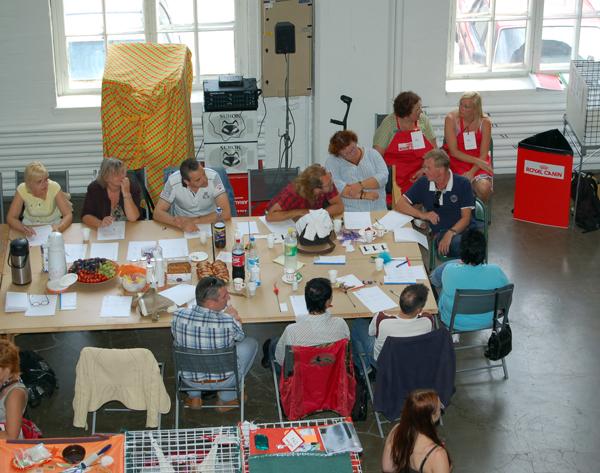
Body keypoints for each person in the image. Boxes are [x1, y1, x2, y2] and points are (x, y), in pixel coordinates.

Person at [171, 276, 258, 411]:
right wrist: (235, 318)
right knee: (250, 343)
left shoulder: (178, 316)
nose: (228, 298)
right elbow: (240, 337)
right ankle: (226, 398)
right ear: (211, 303)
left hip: (189, 380)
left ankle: (194, 396)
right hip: (224, 379)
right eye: (224, 296)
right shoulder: (227, 321)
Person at [394, 149, 475, 258]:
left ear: (441, 170)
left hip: (464, 230)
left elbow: (466, 219)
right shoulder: (423, 183)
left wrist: (451, 233)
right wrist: (423, 215)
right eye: (424, 167)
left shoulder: (463, 184)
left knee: (469, 246)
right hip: (441, 233)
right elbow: (400, 204)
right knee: (461, 248)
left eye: (428, 168)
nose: (424, 171)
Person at [261, 278, 350, 372]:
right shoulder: (341, 324)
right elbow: (345, 352)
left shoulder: (292, 331)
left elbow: (282, 361)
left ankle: (268, 354)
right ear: (328, 302)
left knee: (273, 344)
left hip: (300, 379)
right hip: (332, 376)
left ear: (306, 299)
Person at [431, 228, 509, 332]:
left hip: (453, 321)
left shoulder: (449, 270)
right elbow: (506, 297)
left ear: (462, 251)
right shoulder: (496, 271)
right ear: (483, 250)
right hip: (487, 320)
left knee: (440, 288)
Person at [350, 284, 434, 373]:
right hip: (413, 363)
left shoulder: (381, 319)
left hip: (383, 364)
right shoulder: (428, 320)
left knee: (358, 323)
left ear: (400, 300)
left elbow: (371, 333)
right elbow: (426, 315)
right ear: (419, 310)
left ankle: (365, 369)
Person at [373, 91, 438, 194]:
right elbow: (376, 157)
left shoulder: (423, 121)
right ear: (406, 115)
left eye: (420, 107)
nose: (421, 111)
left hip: (420, 174)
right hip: (395, 179)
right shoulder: (389, 124)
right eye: (417, 109)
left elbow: (435, 152)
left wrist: (424, 170)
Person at [382, 389, 452, 473]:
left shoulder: (396, 430)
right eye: (439, 407)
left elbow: (387, 468)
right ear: (431, 416)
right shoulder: (437, 454)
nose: (441, 408)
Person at [153, 158, 232, 232]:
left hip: (211, 223)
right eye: (198, 180)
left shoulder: (214, 177)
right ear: (187, 182)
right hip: (182, 229)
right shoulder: (172, 181)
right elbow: (157, 213)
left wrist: (193, 221)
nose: (205, 180)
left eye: (204, 174)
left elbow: (226, 212)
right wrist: (180, 223)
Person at [443, 91, 493, 202]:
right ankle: (465, 206)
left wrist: (472, 172)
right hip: (456, 161)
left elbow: (484, 154)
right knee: (455, 191)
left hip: (479, 162)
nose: (461, 108)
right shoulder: (451, 119)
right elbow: (454, 151)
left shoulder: (485, 123)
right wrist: (478, 161)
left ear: (475, 109)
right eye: (460, 104)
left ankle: (475, 209)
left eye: (466, 107)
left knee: (484, 189)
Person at [325, 130, 388, 211]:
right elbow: (336, 186)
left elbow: (383, 177)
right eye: (346, 154)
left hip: (378, 209)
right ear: (338, 154)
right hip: (350, 212)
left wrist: (360, 185)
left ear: (355, 141)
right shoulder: (332, 161)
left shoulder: (372, 154)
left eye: (353, 149)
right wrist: (364, 195)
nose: (352, 154)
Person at [7, 161, 73, 237]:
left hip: (53, 226)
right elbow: (11, 218)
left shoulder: (54, 187)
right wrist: (23, 228)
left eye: (46, 179)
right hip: (29, 227)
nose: (45, 184)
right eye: (39, 181)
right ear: (29, 183)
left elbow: (68, 215)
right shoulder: (22, 189)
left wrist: (58, 229)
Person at [265, 164, 344, 222]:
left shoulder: (327, 183)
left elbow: (339, 206)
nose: (332, 183)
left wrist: (318, 214)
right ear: (315, 189)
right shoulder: (293, 192)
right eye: (328, 184)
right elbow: (270, 216)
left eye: (330, 179)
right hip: (283, 220)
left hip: (304, 221)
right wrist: (299, 212)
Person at [81, 157, 142, 228]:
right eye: (116, 174)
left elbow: (133, 218)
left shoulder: (131, 186)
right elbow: (86, 216)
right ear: (105, 177)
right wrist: (100, 223)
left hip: (130, 229)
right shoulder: (95, 188)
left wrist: (126, 194)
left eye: (122, 172)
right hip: (103, 232)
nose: (122, 176)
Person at [0, 339, 28, 440]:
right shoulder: (3, 379)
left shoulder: (15, 394)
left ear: (7, 368)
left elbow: (11, 436)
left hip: (7, 446)